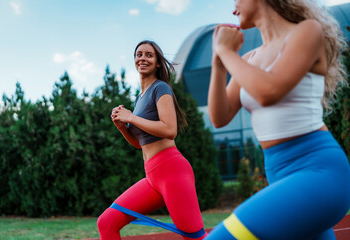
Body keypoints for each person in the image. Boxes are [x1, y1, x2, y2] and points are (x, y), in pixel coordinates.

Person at [206, 0, 350, 239]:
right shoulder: (250, 58)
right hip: (279, 175)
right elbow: (220, 117)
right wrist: (218, 65)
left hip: (319, 173)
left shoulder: (307, 31)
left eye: (236, 0)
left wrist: (227, 52)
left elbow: (269, 91)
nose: (233, 9)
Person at [97, 40, 208, 240]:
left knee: (195, 237)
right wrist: (122, 127)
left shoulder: (161, 88)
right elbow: (140, 144)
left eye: (149, 55)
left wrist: (131, 118)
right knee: (106, 222)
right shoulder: (140, 98)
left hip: (172, 171)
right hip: (152, 176)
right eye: (139, 54)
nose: (143, 58)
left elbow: (169, 129)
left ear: (157, 62)